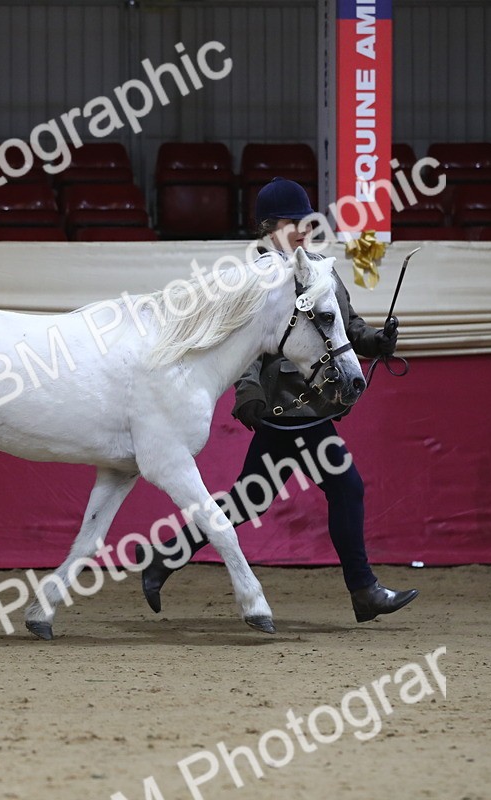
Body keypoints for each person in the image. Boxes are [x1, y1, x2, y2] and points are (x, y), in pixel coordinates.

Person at [137, 177, 418, 624]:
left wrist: (376, 342)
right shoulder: (255, 279)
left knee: (250, 499)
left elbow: (343, 327)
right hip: (285, 407)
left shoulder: (320, 269)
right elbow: (239, 342)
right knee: (345, 489)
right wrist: (247, 392)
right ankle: (364, 591)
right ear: (270, 227)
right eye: (294, 221)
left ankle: (164, 557)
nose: (304, 229)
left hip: (308, 407)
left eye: (306, 220)